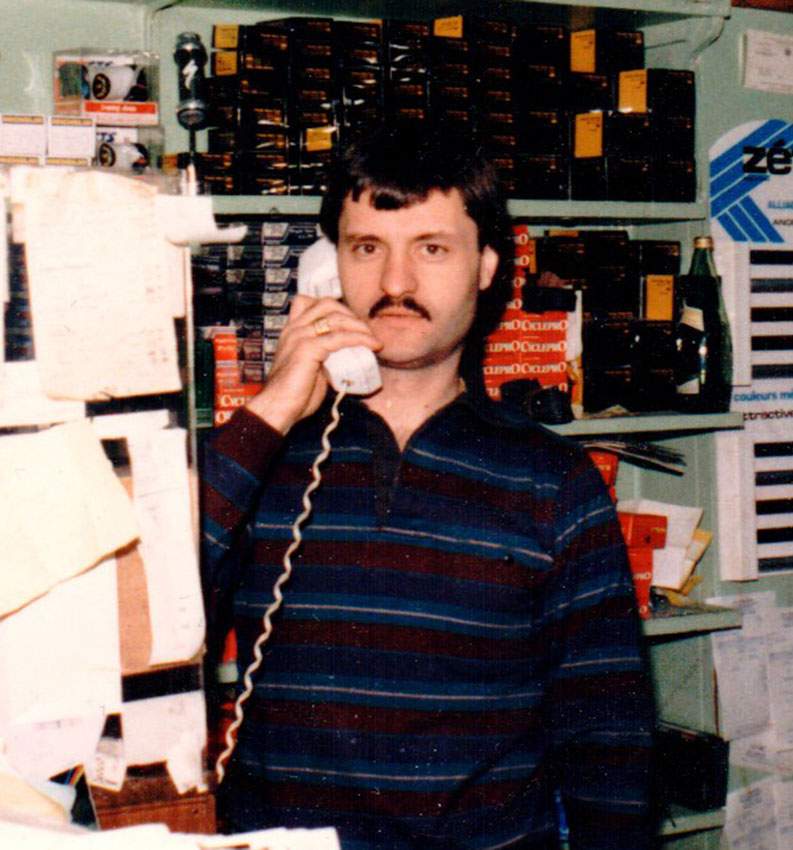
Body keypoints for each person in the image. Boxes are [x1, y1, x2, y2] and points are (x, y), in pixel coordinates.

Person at [201, 125, 655, 850]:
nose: (395, 285)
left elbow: (608, 745)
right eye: (366, 248)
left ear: (485, 267)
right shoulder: (257, 456)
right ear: (326, 269)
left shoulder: (552, 482)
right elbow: (141, 623)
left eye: (431, 249)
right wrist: (272, 410)